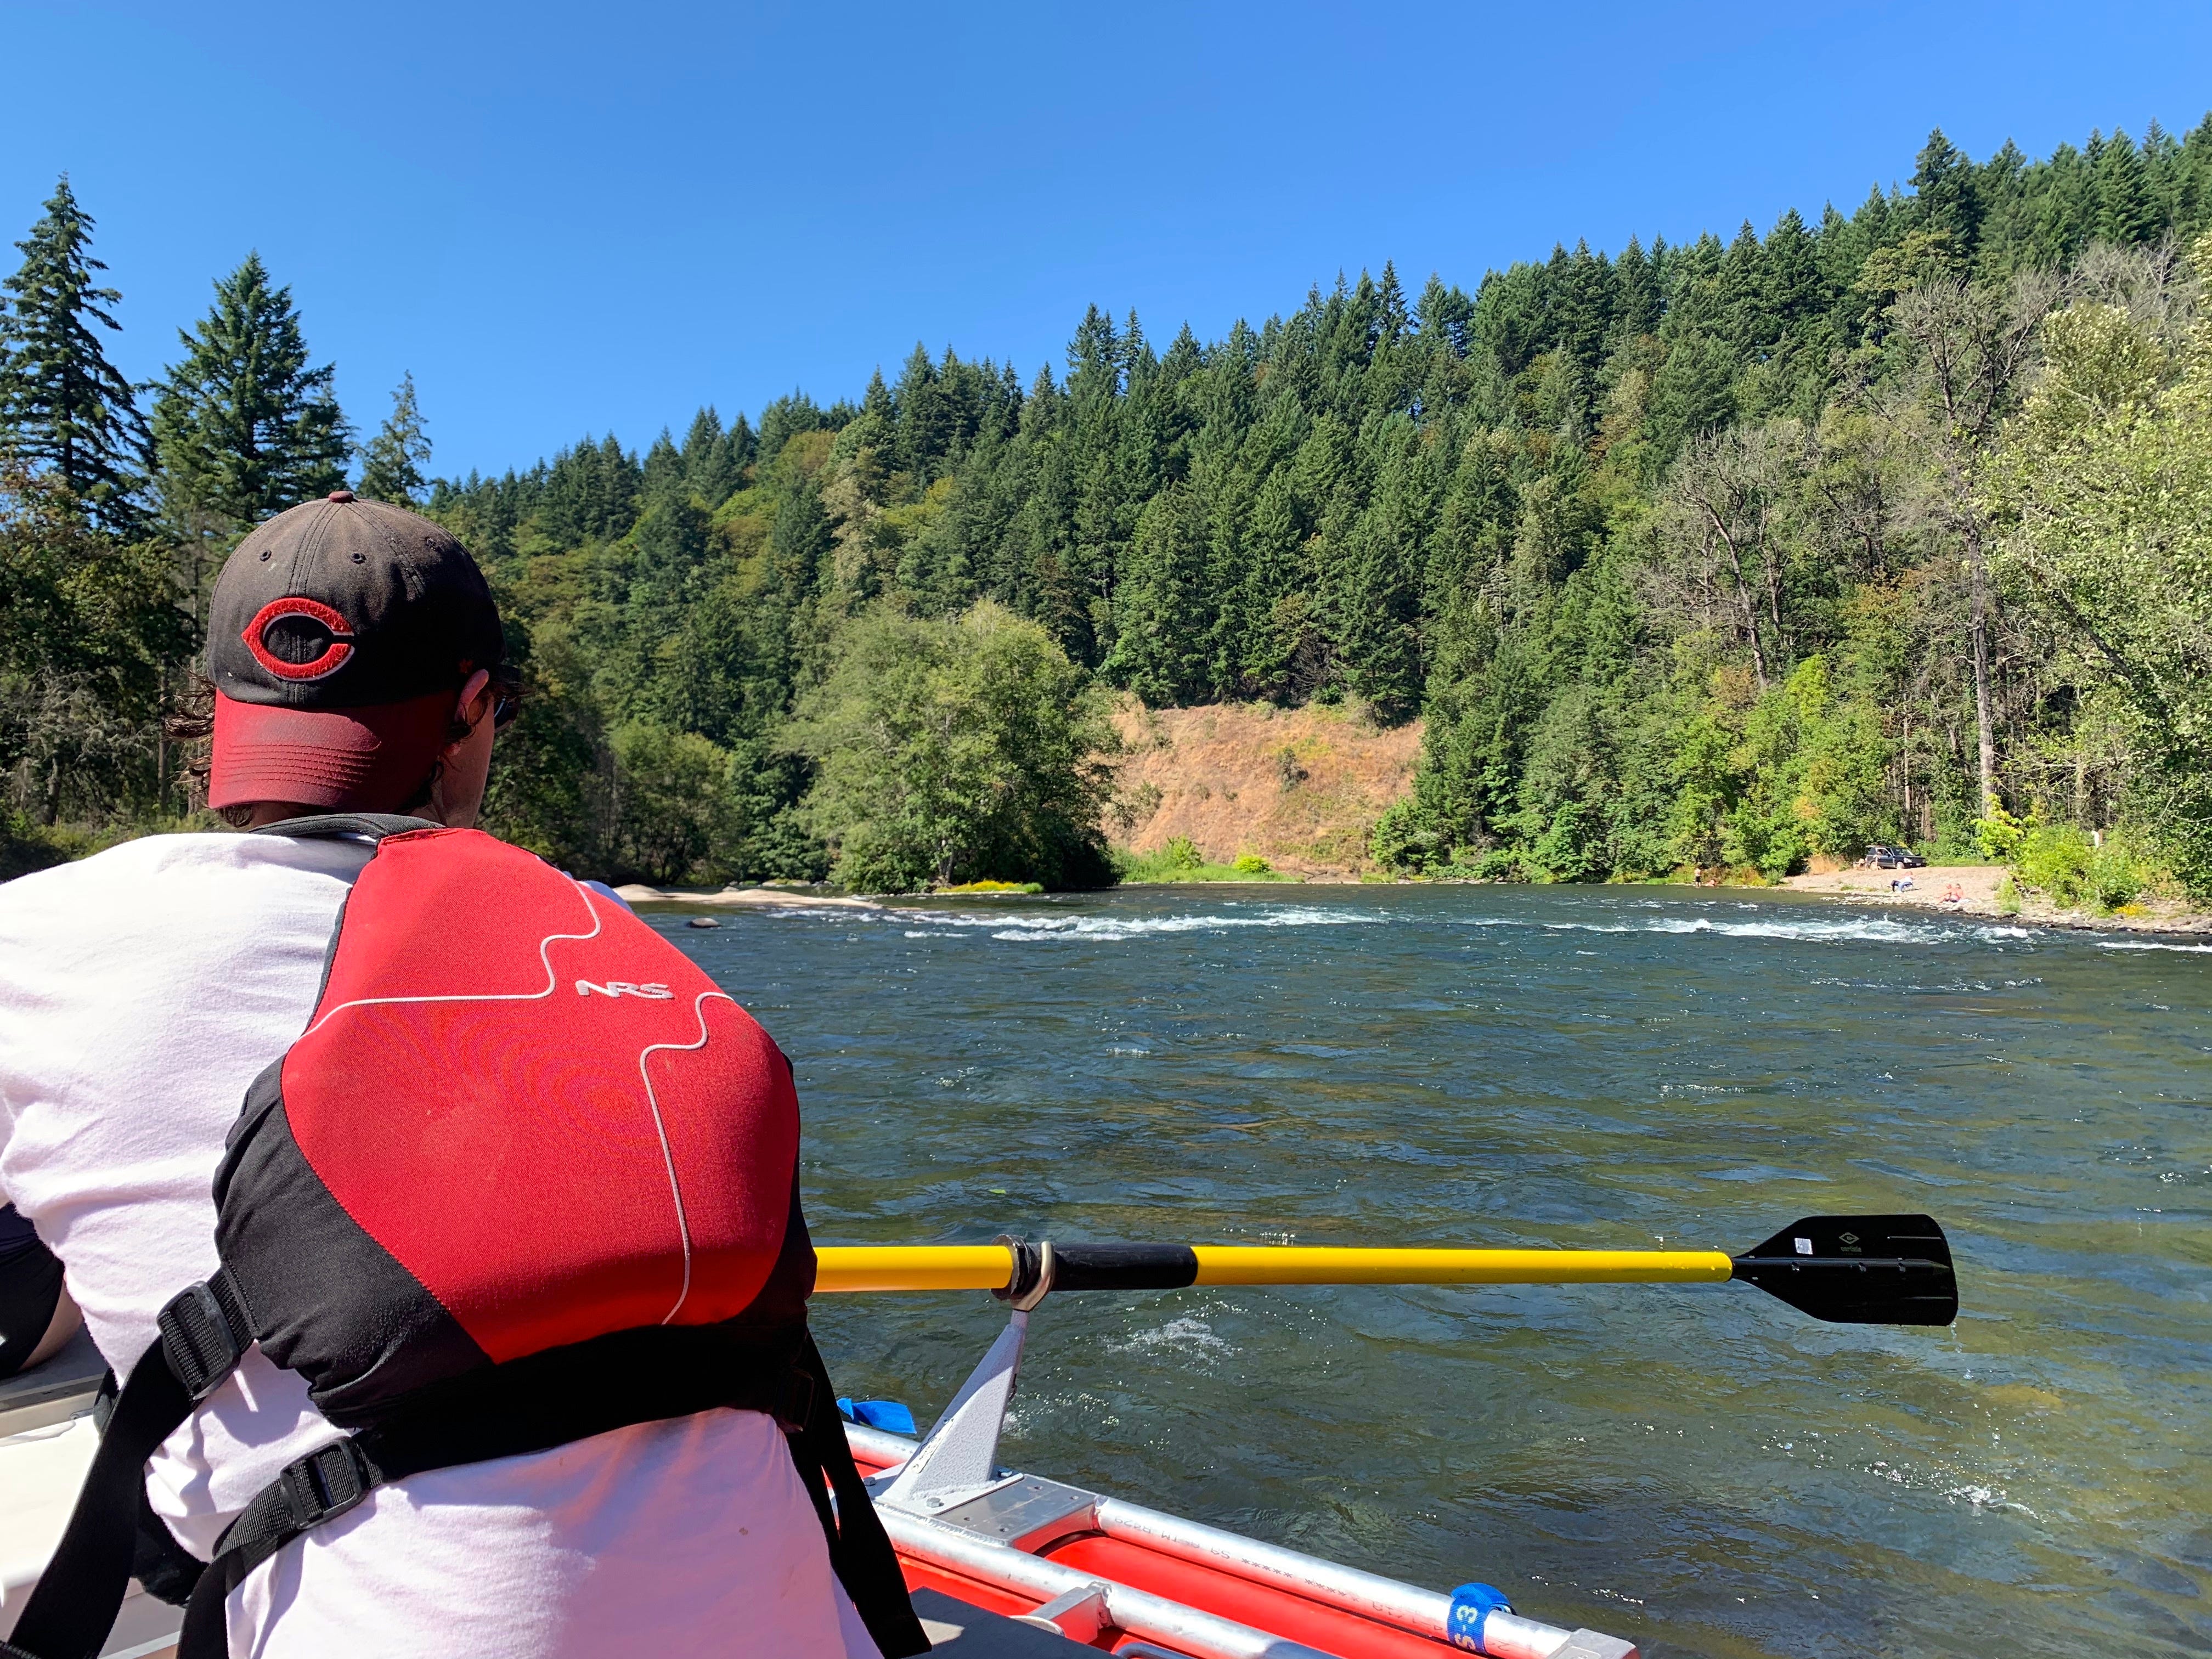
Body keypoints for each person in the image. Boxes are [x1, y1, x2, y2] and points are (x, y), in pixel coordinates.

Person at [0, 493, 881, 1656]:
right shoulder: (601, 932)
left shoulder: (33, 939)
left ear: (218, 714)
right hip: (795, 1615)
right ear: (473, 711)